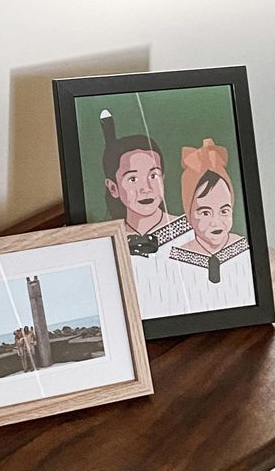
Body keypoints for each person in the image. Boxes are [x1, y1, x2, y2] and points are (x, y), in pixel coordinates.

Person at [99, 110, 188, 318]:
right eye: (132, 179)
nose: (146, 188)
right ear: (113, 188)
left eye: (153, 175)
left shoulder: (191, 232)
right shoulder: (107, 243)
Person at [169, 140, 255, 310]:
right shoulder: (178, 260)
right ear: (189, 214)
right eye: (205, 213)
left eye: (224, 211)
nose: (216, 222)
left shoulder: (244, 250)